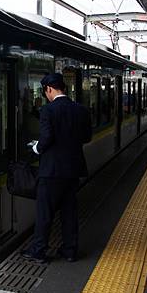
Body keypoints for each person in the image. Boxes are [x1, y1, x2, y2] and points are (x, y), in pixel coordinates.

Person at [23, 73, 92, 263]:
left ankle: (38, 251)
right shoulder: (81, 110)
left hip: (51, 171)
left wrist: (36, 147)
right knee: (69, 212)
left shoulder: (48, 111)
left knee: (45, 212)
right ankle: (69, 250)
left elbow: (47, 138)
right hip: (73, 170)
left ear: (49, 89)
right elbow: (87, 138)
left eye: (46, 92)